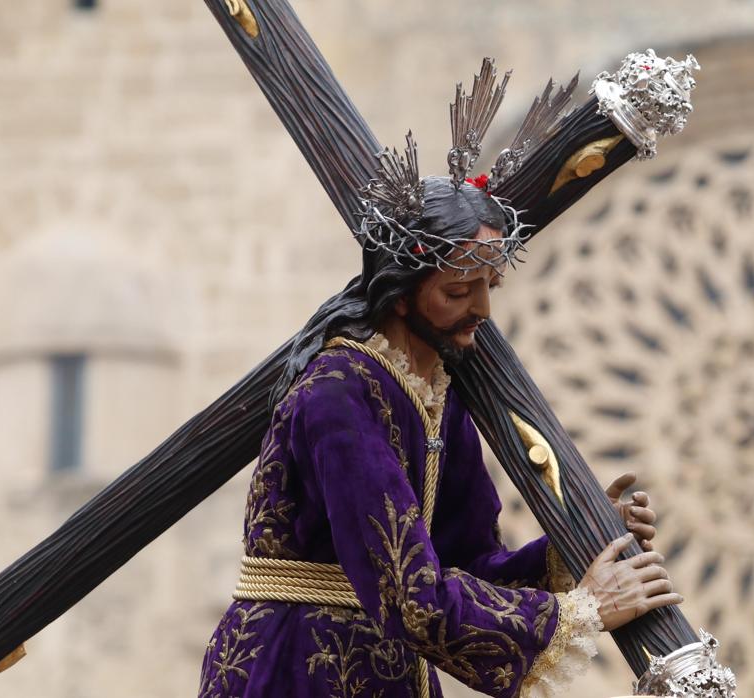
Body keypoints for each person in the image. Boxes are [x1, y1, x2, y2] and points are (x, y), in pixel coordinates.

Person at [197, 175, 683, 698]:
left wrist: (572, 552)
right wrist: (583, 610)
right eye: (457, 291)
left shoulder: (436, 397)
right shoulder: (336, 394)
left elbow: (469, 567)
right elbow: (411, 595)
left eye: (489, 287)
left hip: (386, 671)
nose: (483, 311)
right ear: (401, 293)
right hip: (297, 667)